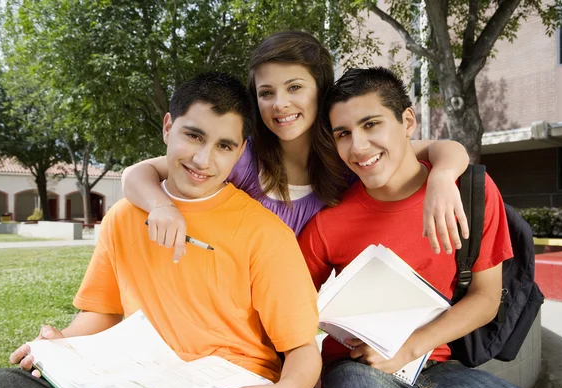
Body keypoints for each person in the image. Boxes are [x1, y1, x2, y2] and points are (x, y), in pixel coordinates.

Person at [0, 72, 321, 388]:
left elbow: (302, 348)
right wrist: (60, 343)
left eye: (224, 146)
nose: (204, 159)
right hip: (132, 375)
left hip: (229, 383)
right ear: (168, 127)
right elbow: (104, 313)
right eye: (194, 136)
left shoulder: (266, 233)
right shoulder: (123, 217)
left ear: (240, 150)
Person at [121, 31, 470, 263]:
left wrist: (442, 178)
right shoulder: (242, 156)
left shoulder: (348, 156)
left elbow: (445, 148)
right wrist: (160, 207)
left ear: (320, 90)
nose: (280, 104)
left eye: (294, 88)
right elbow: (137, 173)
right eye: (266, 93)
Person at [297, 67, 528, 388]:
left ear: (407, 121)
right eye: (343, 133)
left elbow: (486, 298)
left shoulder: (469, 193)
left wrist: (407, 349)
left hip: (439, 366)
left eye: (371, 124)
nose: (358, 146)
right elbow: (292, 313)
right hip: (356, 367)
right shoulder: (327, 223)